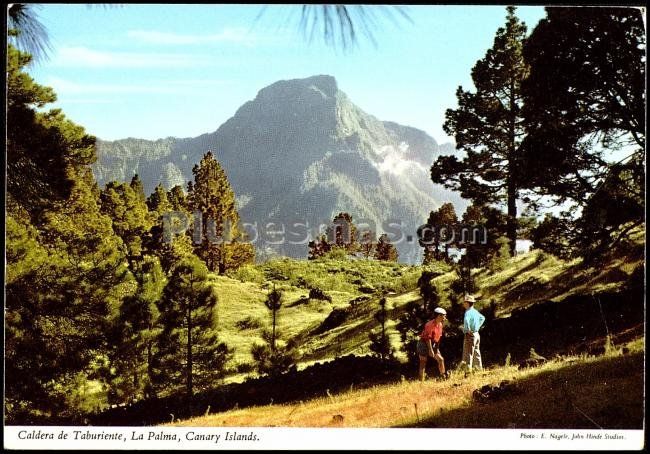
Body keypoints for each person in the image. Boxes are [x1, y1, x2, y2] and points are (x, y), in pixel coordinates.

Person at [417, 307, 449, 381]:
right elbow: (428, 338)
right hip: (423, 344)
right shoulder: (429, 324)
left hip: (432, 344)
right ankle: (421, 381)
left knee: (441, 359)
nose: (445, 317)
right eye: (444, 315)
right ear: (439, 316)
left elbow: (438, 338)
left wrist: (436, 349)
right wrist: (430, 350)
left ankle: (443, 377)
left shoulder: (440, 324)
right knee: (423, 362)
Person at [461, 294, 485, 374]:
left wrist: (468, 330)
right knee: (477, 352)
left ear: (467, 303)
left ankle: (468, 372)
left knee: (468, 354)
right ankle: (478, 369)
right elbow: (482, 318)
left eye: (464, 302)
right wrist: (477, 327)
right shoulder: (475, 311)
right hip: (476, 334)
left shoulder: (467, 312)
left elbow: (466, 322)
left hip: (470, 335)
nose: (463, 303)